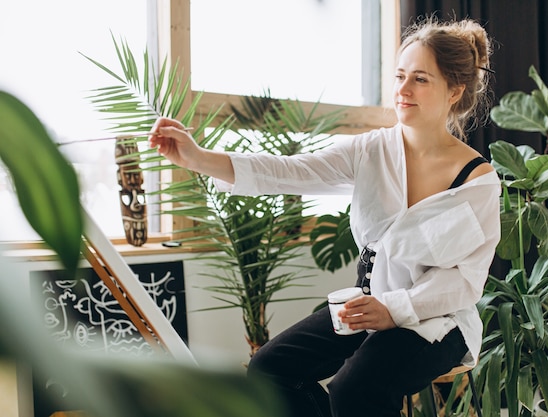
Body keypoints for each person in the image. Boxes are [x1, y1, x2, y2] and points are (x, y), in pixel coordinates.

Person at [149, 16, 500, 417]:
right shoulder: (371, 150)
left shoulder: (477, 183)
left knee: (354, 388)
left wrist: (395, 310)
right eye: (400, 75)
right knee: (269, 369)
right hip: (368, 303)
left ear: (454, 91)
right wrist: (198, 157)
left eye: (420, 79)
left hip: (435, 320)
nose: (402, 90)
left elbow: (465, 281)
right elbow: (290, 171)